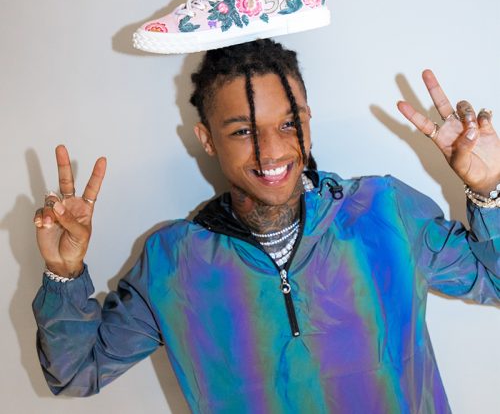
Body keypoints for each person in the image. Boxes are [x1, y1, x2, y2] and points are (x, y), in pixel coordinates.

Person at [33, 39, 499, 413]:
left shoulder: (384, 212)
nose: (271, 151)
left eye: (288, 124)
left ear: (308, 122)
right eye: (242, 131)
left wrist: (489, 190)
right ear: (207, 139)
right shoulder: (172, 263)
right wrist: (63, 274)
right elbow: (76, 372)